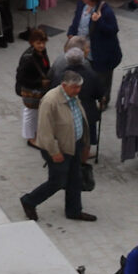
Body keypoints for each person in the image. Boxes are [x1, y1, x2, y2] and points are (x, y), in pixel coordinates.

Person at [19, 67, 94, 223]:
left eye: (79, 87)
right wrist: (54, 152)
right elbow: (45, 131)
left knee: (75, 179)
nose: (78, 90)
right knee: (57, 182)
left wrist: (84, 142)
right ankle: (29, 200)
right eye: (75, 87)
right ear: (64, 85)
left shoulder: (73, 97)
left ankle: (74, 210)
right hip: (59, 149)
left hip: (74, 145)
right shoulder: (51, 101)